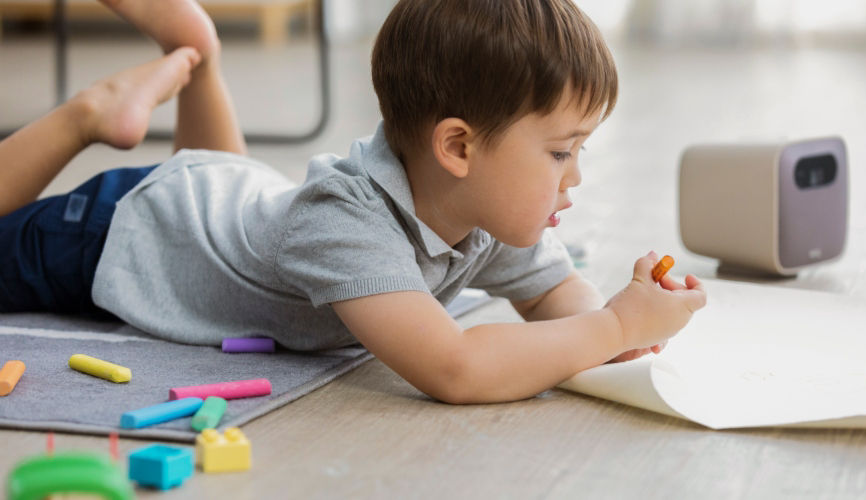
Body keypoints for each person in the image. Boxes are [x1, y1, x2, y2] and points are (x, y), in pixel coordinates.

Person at [0, 0, 706, 404]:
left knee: (221, 191)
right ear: (457, 148)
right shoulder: (344, 222)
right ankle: (88, 116)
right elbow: (453, 369)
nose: (575, 178)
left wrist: (630, 327)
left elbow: (561, 304)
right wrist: (612, 327)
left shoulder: (493, 213)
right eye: (560, 152)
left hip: (224, 200)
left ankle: (198, 53)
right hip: (116, 227)